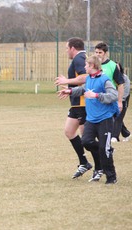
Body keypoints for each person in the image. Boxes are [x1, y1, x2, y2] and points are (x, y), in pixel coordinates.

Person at [58, 55, 119, 184]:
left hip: (105, 119)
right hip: (91, 119)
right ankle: (107, 148)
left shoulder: (104, 79)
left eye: (86, 65)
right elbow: (83, 89)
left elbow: (114, 95)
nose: (84, 66)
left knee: (103, 148)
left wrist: (96, 95)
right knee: (86, 142)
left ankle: (111, 178)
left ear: (92, 66)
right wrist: (69, 91)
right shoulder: (89, 79)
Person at [55, 37, 101, 181]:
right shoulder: (80, 58)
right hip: (76, 104)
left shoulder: (79, 59)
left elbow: (86, 77)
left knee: (87, 139)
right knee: (69, 132)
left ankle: (100, 167)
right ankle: (84, 163)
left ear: (73, 48)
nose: (66, 51)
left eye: (67, 48)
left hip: (83, 104)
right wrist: (69, 90)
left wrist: (67, 82)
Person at [94, 42, 125, 142]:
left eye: (100, 52)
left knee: (107, 123)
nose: (97, 54)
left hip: (107, 100)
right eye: (96, 52)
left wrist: (120, 101)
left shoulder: (112, 66)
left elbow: (120, 84)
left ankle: (109, 141)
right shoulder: (93, 65)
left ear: (106, 53)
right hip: (95, 100)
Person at [112, 63, 130, 142]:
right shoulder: (111, 78)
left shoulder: (125, 78)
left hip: (123, 100)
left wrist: (119, 101)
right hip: (113, 101)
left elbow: (125, 92)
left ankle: (115, 137)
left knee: (118, 118)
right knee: (115, 117)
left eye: (117, 67)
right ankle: (126, 134)